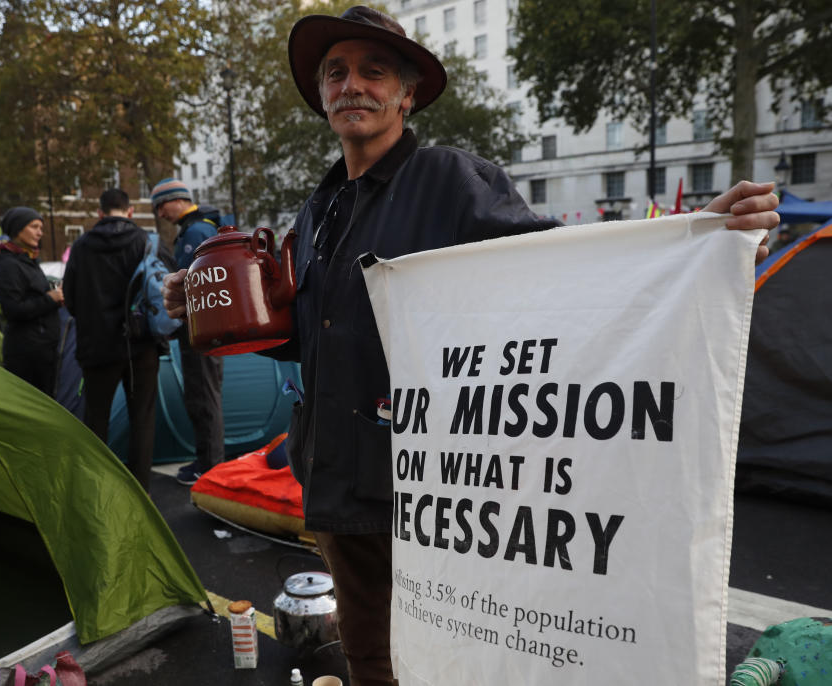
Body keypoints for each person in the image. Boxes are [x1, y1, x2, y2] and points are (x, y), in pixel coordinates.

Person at [162, 7, 780, 684]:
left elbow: (562, 276)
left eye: (373, 71)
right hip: (336, 481)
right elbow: (316, 340)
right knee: (369, 656)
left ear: (407, 94)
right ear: (320, 96)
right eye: (335, 73)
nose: (351, 86)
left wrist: (692, 245)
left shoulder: (450, 179)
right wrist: (211, 309)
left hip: (436, 494)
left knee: (462, 658)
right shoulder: (317, 210)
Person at [63, 188, 161, 492]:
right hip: (140, 346)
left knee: (96, 422)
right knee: (142, 420)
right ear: (130, 211)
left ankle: (96, 488)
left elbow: (70, 297)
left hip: (96, 348)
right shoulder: (145, 242)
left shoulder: (81, 246)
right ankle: (140, 490)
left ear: (100, 213)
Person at [150, 177, 225, 485]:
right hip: (202, 330)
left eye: (160, 205)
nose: (159, 213)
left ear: (176, 199)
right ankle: (207, 461)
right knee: (202, 396)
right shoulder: (194, 228)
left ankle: (210, 469)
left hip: (202, 331)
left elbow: (196, 283)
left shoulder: (196, 231)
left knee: (204, 398)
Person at [0, 206, 64, 396]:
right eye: (34, 226)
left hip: (44, 350)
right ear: (18, 229)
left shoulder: (29, 261)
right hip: (27, 354)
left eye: (41, 227)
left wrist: (56, 298)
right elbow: (13, 309)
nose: (40, 232)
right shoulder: (8, 266)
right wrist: (50, 299)